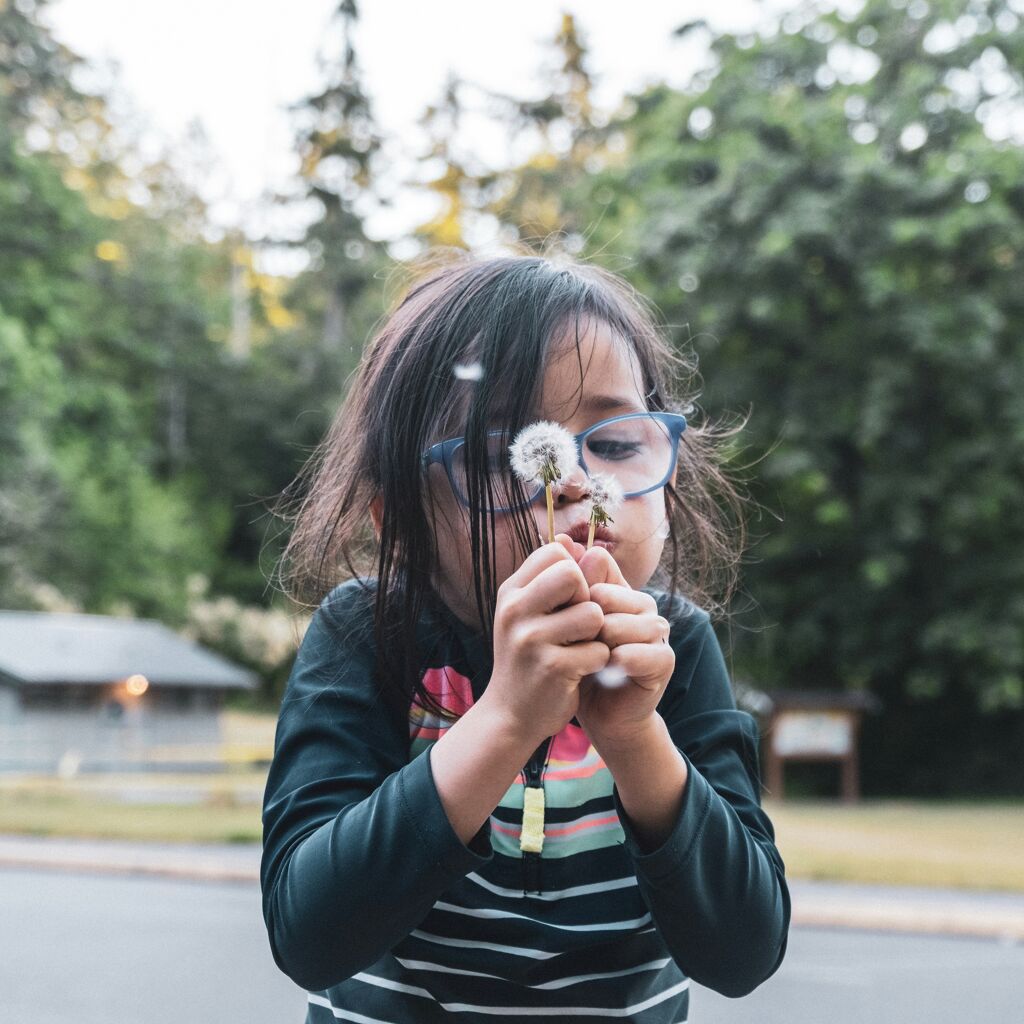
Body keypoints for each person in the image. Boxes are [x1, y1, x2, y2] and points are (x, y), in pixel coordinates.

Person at [261, 248, 790, 1023]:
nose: (572, 478)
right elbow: (308, 936)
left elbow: (743, 955)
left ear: (669, 479)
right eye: (496, 451)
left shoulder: (675, 649)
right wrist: (507, 719)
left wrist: (636, 738)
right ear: (399, 520)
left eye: (615, 443)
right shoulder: (367, 635)